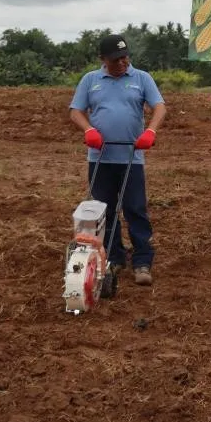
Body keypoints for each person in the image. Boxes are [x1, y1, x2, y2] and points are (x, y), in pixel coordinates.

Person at [69, 33, 166, 286]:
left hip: (131, 157)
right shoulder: (91, 80)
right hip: (100, 157)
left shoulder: (141, 78)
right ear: (103, 60)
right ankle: (114, 257)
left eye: (125, 57)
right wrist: (88, 130)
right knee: (105, 211)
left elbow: (159, 107)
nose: (122, 63)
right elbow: (76, 111)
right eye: (115, 60)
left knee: (135, 209)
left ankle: (142, 260)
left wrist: (150, 131)